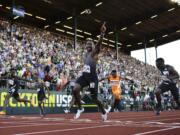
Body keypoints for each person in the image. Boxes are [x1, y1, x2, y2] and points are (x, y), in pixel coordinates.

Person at [72, 22, 107, 121]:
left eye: (90, 43)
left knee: (94, 98)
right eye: (86, 43)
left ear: (93, 46)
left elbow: (99, 43)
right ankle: (80, 108)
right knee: (75, 90)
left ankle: (103, 111)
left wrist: (102, 34)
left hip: (92, 79)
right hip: (84, 77)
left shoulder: (94, 53)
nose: (87, 44)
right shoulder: (85, 54)